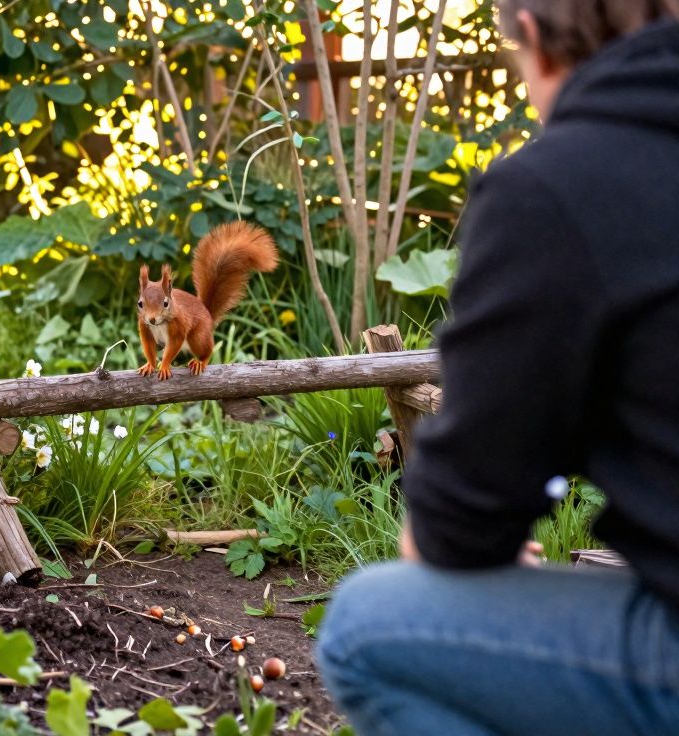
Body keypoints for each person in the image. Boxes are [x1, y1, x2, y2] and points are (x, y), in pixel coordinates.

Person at [316, 2, 679, 734]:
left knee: (364, 627)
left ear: (535, 39)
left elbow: (452, 530)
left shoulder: (561, 184)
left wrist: (477, 527)